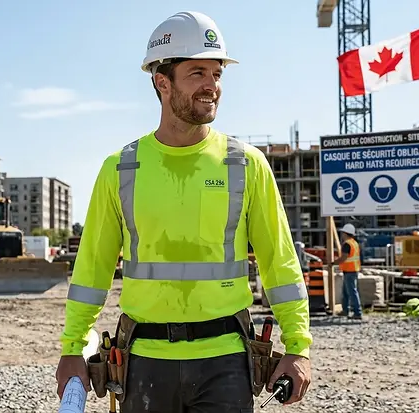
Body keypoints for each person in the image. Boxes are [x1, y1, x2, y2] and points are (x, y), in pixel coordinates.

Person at [55, 10, 312, 412]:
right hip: (143, 361)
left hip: (226, 362)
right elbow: (91, 271)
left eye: (217, 73)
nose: (212, 86)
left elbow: (280, 263)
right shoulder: (121, 169)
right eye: (197, 73)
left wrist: (298, 347)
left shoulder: (246, 165)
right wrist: (72, 347)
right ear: (162, 82)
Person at [332, 223, 362, 320]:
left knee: (352, 291)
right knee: (345, 292)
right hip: (353, 269)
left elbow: (343, 258)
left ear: (345, 233)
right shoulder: (354, 243)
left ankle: (357, 312)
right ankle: (345, 310)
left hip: (350, 271)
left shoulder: (347, 244)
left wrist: (332, 263)